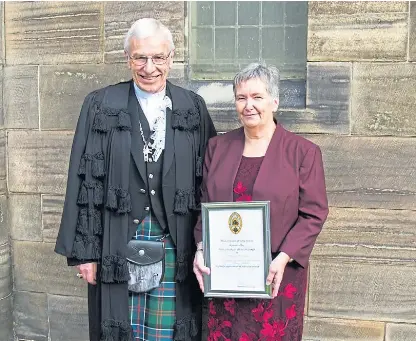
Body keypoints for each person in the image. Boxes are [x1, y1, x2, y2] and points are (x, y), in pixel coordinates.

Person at [55, 18, 216, 341]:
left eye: (158, 57)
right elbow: (81, 177)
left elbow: (211, 179)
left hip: (176, 240)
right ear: (128, 58)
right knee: (121, 328)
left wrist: (209, 244)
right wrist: (85, 252)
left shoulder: (192, 107)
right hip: (115, 238)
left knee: (169, 330)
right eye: (139, 57)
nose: (149, 67)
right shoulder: (100, 105)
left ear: (171, 58)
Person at [193, 63, 328, 341]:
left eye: (257, 97)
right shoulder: (217, 148)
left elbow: (314, 213)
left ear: (275, 101)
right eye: (241, 98)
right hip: (227, 278)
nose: (248, 105)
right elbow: (204, 206)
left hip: (277, 275)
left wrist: (285, 256)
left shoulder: (303, 153)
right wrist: (201, 247)